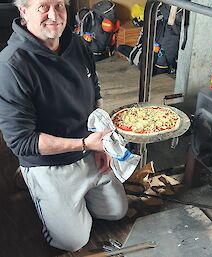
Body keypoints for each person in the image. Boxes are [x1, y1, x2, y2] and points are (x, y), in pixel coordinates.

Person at [0, 0, 128, 252]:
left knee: (116, 212)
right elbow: (21, 142)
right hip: (49, 163)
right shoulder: (11, 65)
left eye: (59, 5)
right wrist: (84, 143)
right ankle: (32, 181)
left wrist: (99, 144)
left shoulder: (77, 43)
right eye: (43, 7)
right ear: (23, 11)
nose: (54, 15)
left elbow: (95, 91)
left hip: (89, 149)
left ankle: (68, 203)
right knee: (73, 240)